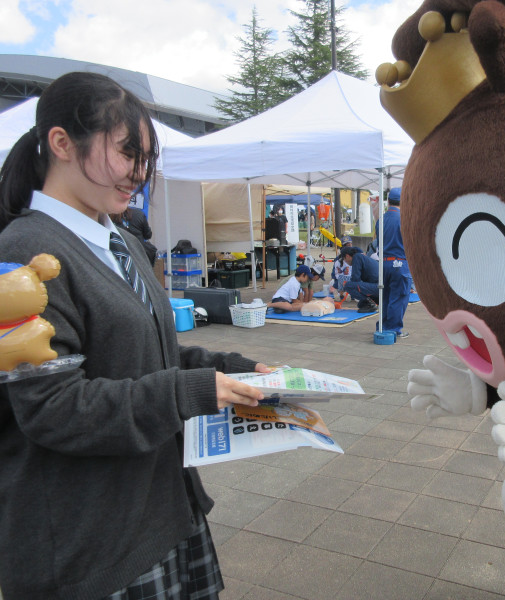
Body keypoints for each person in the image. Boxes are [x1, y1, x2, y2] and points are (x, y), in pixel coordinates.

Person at [0, 72, 272, 600]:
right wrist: (189, 391)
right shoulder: (22, 257)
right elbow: (53, 407)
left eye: (145, 160)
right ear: (61, 143)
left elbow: (149, 351)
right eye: (127, 153)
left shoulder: (121, 240)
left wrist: (227, 368)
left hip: (161, 508)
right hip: (91, 540)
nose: (138, 175)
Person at [374, 187, 412, 337]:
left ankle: (382, 327)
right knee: (398, 298)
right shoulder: (405, 220)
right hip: (400, 263)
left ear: (388, 201)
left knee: (384, 297)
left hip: (384, 263)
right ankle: (394, 329)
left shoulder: (381, 220)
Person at [111, 200, 157, 265]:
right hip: (139, 254)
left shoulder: (109, 218)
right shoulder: (138, 214)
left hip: (120, 256)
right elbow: (148, 235)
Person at [341, 245, 380, 313]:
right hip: (380, 287)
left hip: (378, 287)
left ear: (347, 256)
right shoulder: (362, 257)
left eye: (344, 259)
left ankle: (371, 304)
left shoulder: (357, 258)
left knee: (348, 285)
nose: (345, 261)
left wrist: (344, 290)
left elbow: (355, 279)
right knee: (361, 304)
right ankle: (373, 302)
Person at [331, 235, 353, 300]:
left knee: (332, 286)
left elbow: (334, 275)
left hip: (341, 280)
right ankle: (345, 293)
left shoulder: (337, 259)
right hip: (350, 280)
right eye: (348, 245)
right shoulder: (355, 256)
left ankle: (341, 293)